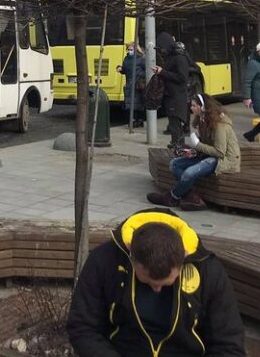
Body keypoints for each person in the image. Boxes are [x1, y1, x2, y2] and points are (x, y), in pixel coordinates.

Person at [67, 208, 245, 357]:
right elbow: (83, 327)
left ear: (184, 257)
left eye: (166, 283)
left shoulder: (207, 270)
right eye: (147, 281)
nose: (157, 289)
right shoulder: (104, 261)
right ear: (131, 256)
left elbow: (228, 343)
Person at [146, 93, 241, 211]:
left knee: (188, 173)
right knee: (174, 164)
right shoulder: (202, 120)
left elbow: (220, 152)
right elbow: (206, 145)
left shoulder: (219, 125)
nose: (191, 108)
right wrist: (193, 151)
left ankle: (172, 197)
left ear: (203, 107)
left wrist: (198, 145)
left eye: (194, 106)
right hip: (208, 155)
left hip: (223, 160)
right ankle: (191, 196)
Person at [154, 32, 191, 150]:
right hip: (172, 95)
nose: (161, 51)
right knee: (173, 122)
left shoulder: (179, 58)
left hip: (176, 95)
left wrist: (162, 72)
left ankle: (178, 146)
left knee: (175, 123)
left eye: (162, 48)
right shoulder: (172, 56)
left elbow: (182, 78)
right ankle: (176, 143)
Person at [117, 42, 146, 128]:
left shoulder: (141, 58)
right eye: (128, 49)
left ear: (136, 49)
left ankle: (139, 120)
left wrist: (141, 76)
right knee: (130, 103)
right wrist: (121, 69)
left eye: (131, 49)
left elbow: (146, 70)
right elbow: (125, 70)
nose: (129, 51)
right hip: (129, 83)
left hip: (138, 84)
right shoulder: (126, 58)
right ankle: (133, 120)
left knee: (138, 103)